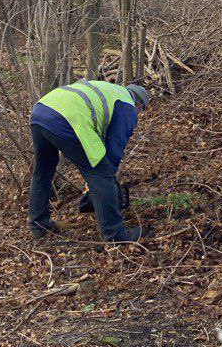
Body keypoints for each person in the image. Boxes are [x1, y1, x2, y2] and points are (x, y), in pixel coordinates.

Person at [29, 79, 150, 243]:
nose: (138, 114)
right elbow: (114, 149)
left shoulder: (110, 91)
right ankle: (116, 236)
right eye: (141, 111)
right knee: (102, 173)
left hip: (41, 111)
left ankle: (38, 225)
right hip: (67, 118)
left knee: (42, 172)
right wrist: (104, 183)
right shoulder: (127, 106)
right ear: (139, 104)